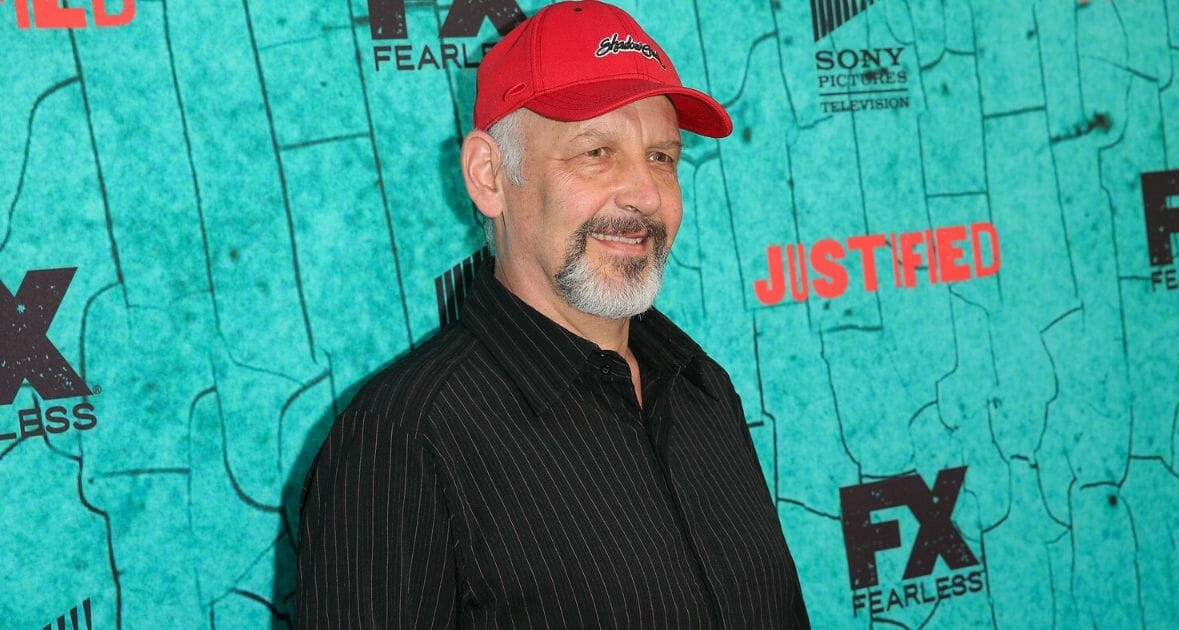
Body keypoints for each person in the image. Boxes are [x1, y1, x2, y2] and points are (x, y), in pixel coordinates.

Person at [295, 1, 809, 627]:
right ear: (489, 176)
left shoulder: (701, 388)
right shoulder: (404, 439)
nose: (645, 194)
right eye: (596, 152)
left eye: (662, 157)